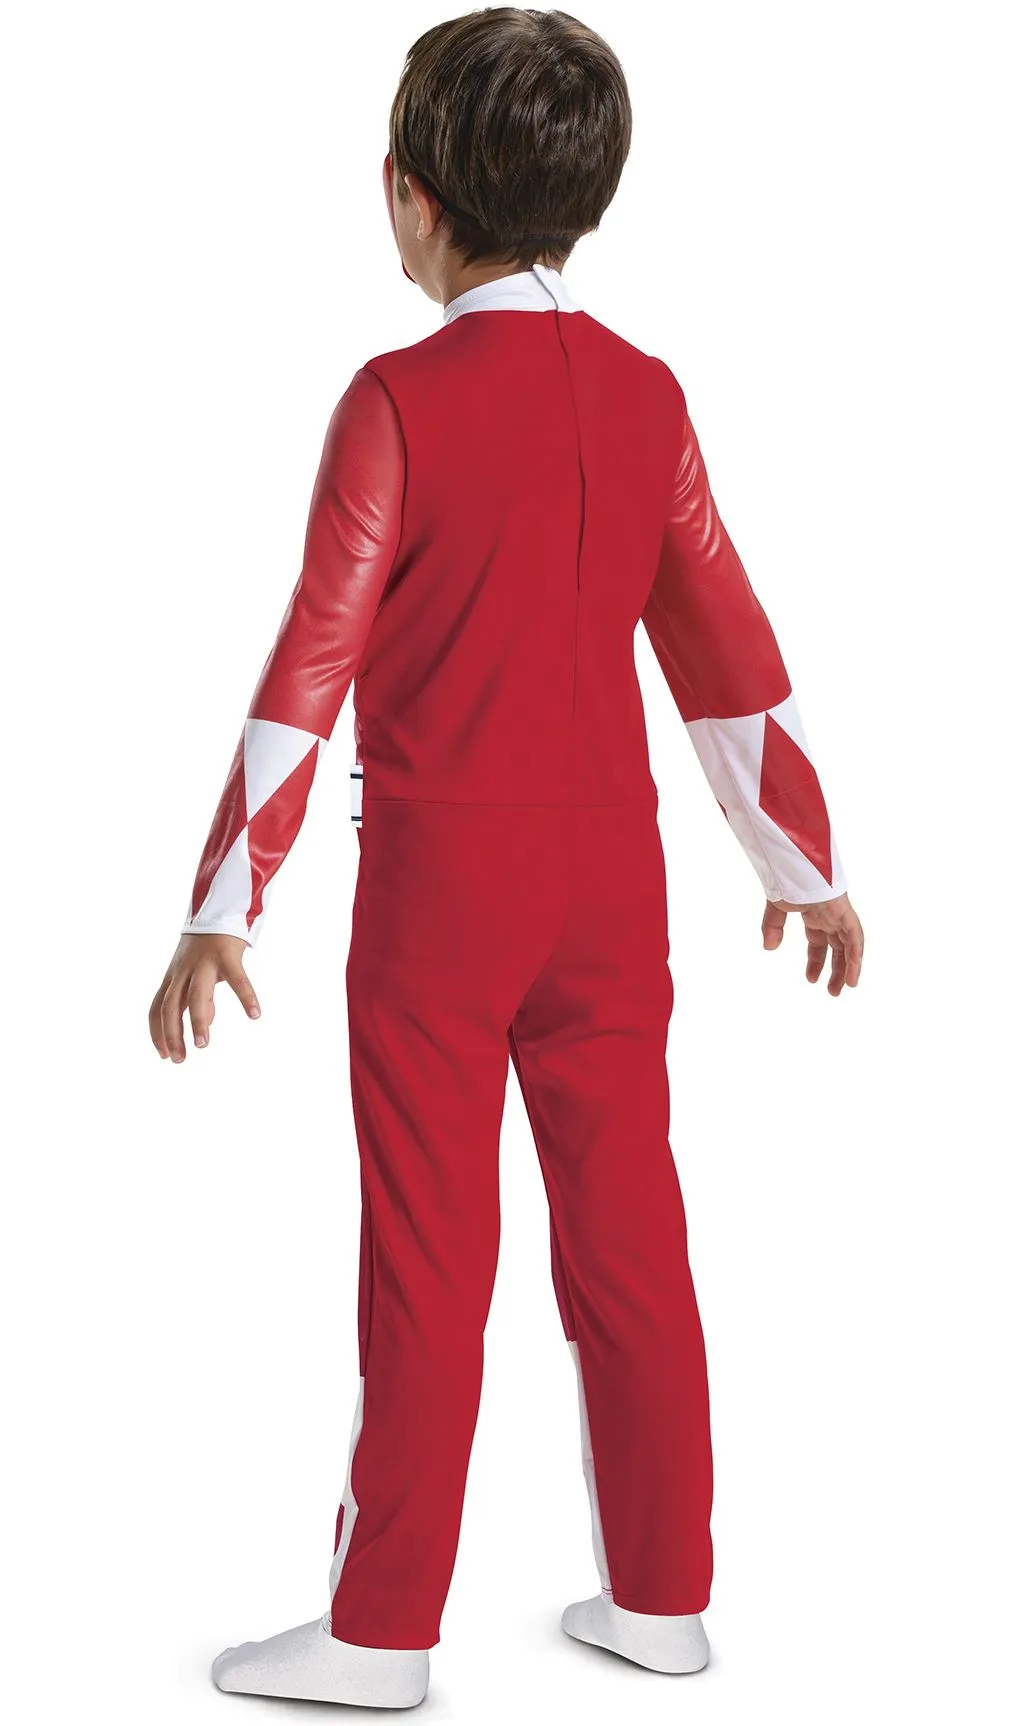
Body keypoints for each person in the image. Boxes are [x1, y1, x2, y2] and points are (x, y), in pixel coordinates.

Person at [148, 7, 865, 1709]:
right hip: (613, 883)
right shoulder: (647, 394)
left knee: (428, 1250)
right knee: (632, 1232)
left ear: (410, 195)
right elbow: (725, 649)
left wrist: (224, 900)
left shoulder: (396, 399)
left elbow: (311, 661)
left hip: (443, 892)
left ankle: (380, 1631)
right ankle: (665, 1597)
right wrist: (803, 865)